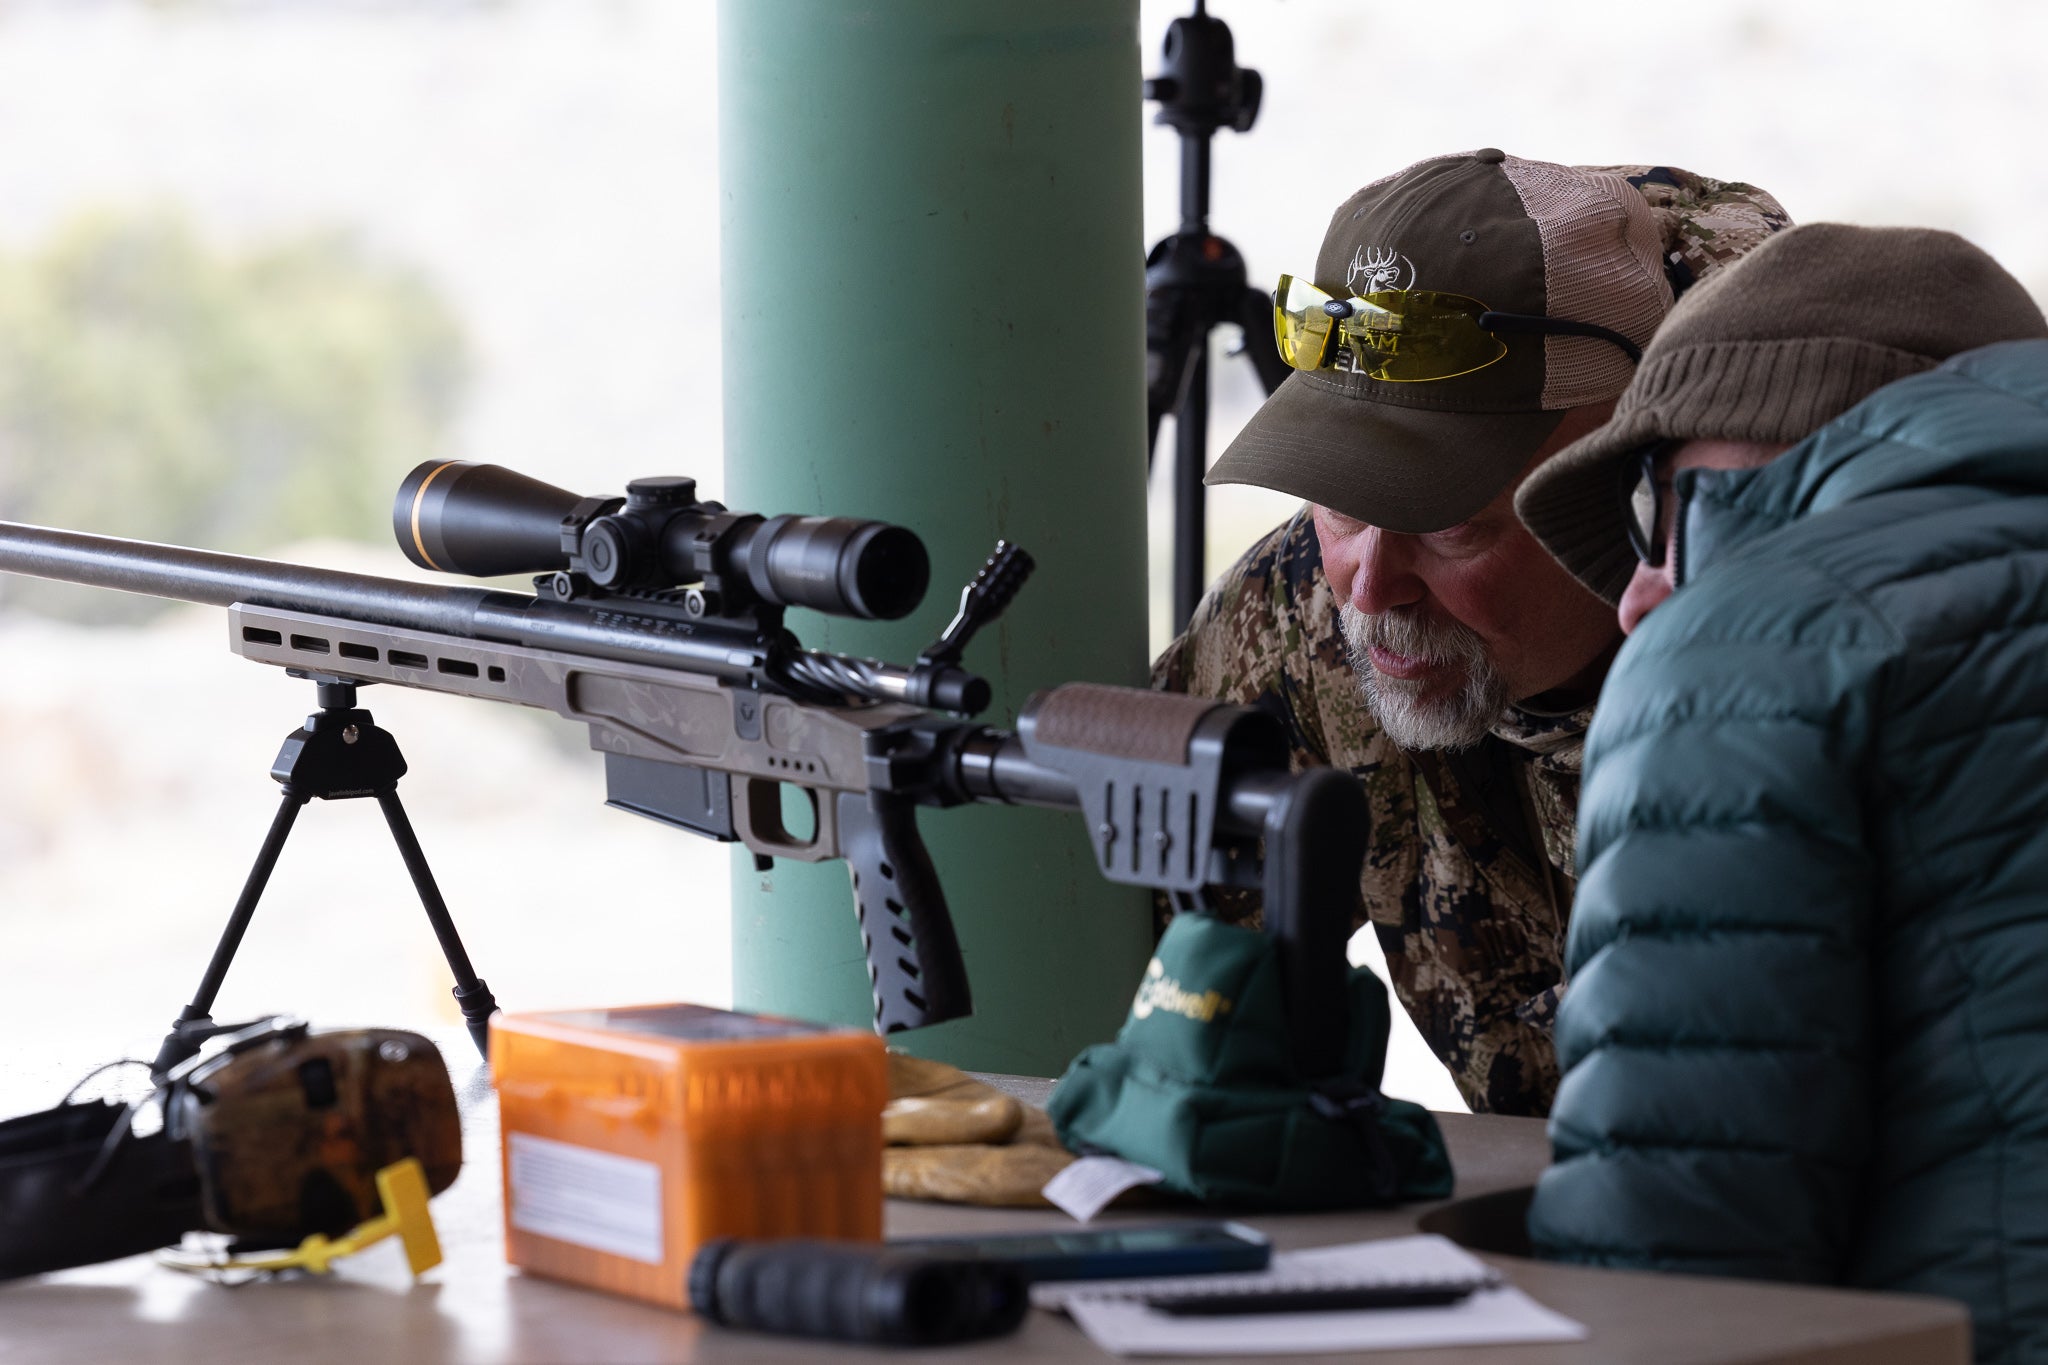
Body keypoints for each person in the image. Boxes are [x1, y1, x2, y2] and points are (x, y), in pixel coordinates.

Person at [1155, 149, 1787, 1114]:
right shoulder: (1306, 607)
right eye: (1338, 502)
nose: (1369, 586)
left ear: (1629, 487)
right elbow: (1093, 947)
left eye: (1449, 524)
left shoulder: (1809, 651)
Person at [1515, 222, 2048, 1363]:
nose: (1633, 599)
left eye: (1658, 513)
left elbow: (1669, 1266)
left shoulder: (1749, 645)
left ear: (1787, 441)